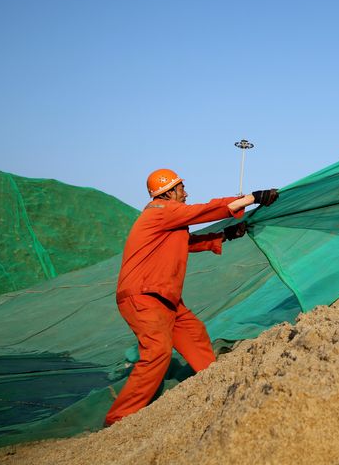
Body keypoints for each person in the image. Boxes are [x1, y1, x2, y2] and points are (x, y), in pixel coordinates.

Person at [104, 168, 279, 426]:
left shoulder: (166, 220)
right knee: (157, 352)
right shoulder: (160, 211)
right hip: (144, 296)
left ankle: (215, 381)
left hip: (164, 298)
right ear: (169, 191)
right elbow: (203, 211)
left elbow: (186, 242)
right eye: (182, 188)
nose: (186, 193)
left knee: (193, 333)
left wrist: (224, 235)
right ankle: (118, 418)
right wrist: (250, 198)